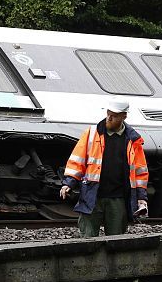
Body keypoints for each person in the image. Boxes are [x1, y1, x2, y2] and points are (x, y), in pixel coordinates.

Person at [60, 100, 149, 237]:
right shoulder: (92, 134)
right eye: (108, 113)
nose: (109, 118)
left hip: (118, 199)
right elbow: (77, 160)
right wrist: (68, 183)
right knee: (87, 240)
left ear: (124, 116)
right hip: (92, 196)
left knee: (116, 242)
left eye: (114, 115)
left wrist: (141, 198)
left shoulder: (133, 140)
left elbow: (140, 172)